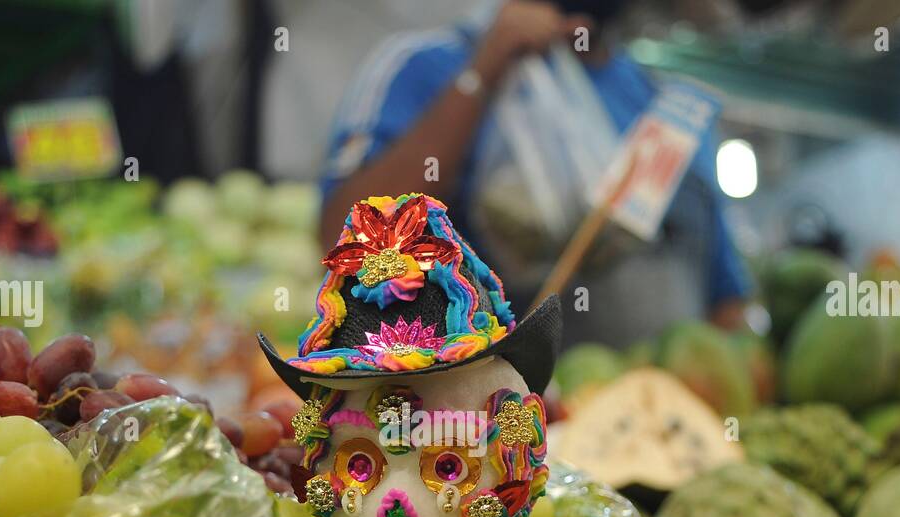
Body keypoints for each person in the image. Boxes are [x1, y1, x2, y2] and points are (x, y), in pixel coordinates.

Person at [319, 0, 751, 343]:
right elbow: (347, 241)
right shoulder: (425, 67)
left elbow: (727, 301)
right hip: (484, 421)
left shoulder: (666, 110)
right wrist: (486, 69)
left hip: (648, 424)